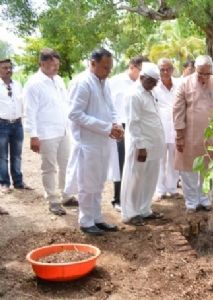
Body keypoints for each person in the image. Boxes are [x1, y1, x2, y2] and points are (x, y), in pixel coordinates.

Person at [65, 48, 124, 236]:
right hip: (87, 143)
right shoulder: (83, 83)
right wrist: (106, 128)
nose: (108, 72)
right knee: (87, 184)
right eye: (105, 67)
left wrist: (116, 124)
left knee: (98, 183)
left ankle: (97, 218)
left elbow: (111, 107)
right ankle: (86, 220)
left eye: (110, 68)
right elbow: (75, 114)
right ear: (93, 63)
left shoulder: (104, 82)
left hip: (103, 142)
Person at [24, 48, 76, 216]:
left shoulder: (59, 80)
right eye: (52, 64)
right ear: (42, 64)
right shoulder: (34, 83)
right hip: (46, 132)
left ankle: (67, 195)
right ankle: (53, 200)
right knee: (49, 167)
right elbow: (29, 111)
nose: (56, 67)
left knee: (66, 164)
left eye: (57, 64)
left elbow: (65, 104)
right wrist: (33, 136)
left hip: (63, 130)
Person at [173, 55, 213, 213]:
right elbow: (177, 110)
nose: (203, 77)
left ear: (211, 71)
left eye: (206, 74)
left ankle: (205, 199)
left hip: (211, 135)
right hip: (189, 135)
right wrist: (179, 134)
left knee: (209, 168)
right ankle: (191, 202)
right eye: (200, 73)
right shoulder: (184, 83)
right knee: (188, 168)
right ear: (195, 69)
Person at [121, 62, 165, 226]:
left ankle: (145, 209)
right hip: (141, 146)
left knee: (150, 178)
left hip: (154, 144)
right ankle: (131, 213)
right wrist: (140, 147)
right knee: (135, 179)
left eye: (156, 81)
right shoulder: (134, 94)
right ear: (142, 77)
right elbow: (133, 123)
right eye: (152, 81)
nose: (155, 84)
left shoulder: (149, 92)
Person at [108, 55, 148, 212]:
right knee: (121, 162)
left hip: (138, 126)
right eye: (141, 70)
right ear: (132, 67)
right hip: (121, 126)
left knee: (136, 162)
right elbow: (108, 105)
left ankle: (134, 199)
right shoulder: (115, 82)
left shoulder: (143, 84)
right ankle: (117, 199)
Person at [0, 57, 31, 193]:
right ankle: (4, 183)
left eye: (10, 67)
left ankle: (18, 182)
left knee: (17, 155)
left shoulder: (17, 85)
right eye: (5, 68)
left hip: (18, 124)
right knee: (2, 156)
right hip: (2, 125)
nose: (8, 70)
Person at [153, 58, 181, 200]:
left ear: (172, 69)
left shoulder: (179, 84)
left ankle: (172, 188)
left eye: (167, 69)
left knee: (174, 160)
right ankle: (160, 190)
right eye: (162, 69)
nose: (165, 72)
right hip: (160, 129)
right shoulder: (154, 86)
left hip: (176, 128)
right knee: (160, 160)